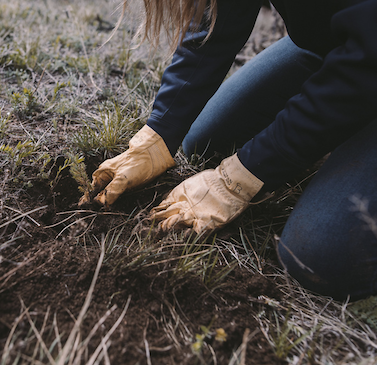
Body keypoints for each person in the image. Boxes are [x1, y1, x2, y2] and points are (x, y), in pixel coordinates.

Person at [82, 0, 377, 300]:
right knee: (204, 141)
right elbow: (218, 17)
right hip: (335, 43)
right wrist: (158, 133)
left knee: (317, 257)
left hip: (368, 55)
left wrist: (242, 175)